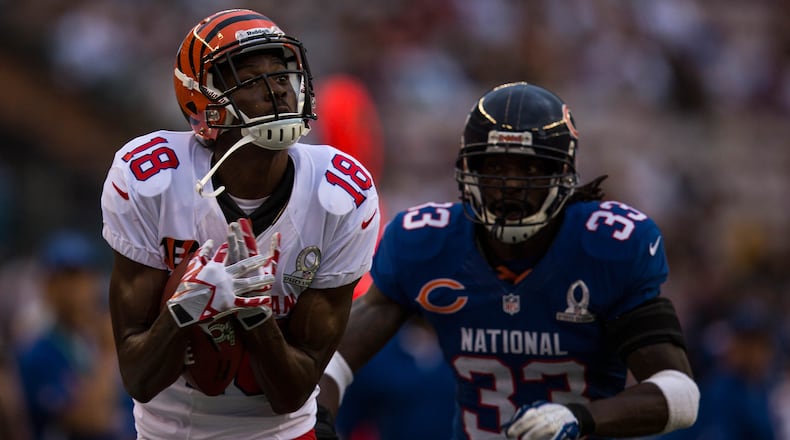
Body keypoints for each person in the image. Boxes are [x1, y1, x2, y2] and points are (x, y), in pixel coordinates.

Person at [319, 82, 699, 439]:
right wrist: (315, 422)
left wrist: (581, 417)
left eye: (530, 167)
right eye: (495, 166)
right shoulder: (428, 243)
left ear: (562, 174)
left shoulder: (606, 246)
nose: (512, 184)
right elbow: (333, 360)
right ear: (468, 170)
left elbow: (681, 394)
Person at [100, 8, 379, 440]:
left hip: (283, 430)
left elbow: (294, 391)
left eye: (282, 74)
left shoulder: (340, 192)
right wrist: (185, 310)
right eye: (250, 77)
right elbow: (137, 377)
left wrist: (255, 316)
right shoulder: (150, 178)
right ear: (203, 101)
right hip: (168, 430)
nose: (277, 90)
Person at [15, 231, 132, 440]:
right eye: (68, 279)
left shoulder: (96, 338)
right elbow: (91, 420)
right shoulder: (37, 352)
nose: (78, 290)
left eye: (85, 278)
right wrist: (108, 353)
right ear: (48, 287)